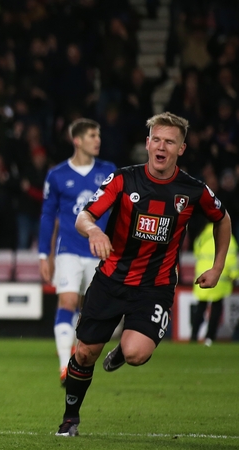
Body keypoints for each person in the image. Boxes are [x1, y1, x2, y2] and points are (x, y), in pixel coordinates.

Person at [56, 112, 231, 437]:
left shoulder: (193, 190)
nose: (162, 146)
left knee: (136, 354)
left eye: (170, 142)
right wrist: (94, 231)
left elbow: (222, 218)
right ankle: (70, 419)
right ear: (148, 143)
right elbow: (84, 216)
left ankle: (123, 351)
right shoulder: (123, 179)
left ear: (181, 148)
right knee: (85, 353)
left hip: (155, 286)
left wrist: (217, 267)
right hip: (111, 280)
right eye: (157, 140)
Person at [38, 118, 117, 386]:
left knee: (90, 311)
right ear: (77, 140)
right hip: (68, 250)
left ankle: (78, 356)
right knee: (67, 302)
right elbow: (48, 216)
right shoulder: (57, 175)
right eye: (92, 135)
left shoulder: (108, 171)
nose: (98, 140)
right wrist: (44, 255)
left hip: (99, 252)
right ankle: (65, 366)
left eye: (99, 135)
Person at [191, 222, 239, 346]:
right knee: (216, 309)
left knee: (200, 307)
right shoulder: (228, 236)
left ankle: (194, 336)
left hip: (202, 274)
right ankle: (209, 338)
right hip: (219, 278)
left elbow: (196, 252)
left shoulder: (202, 235)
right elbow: (231, 258)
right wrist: (234, 275)